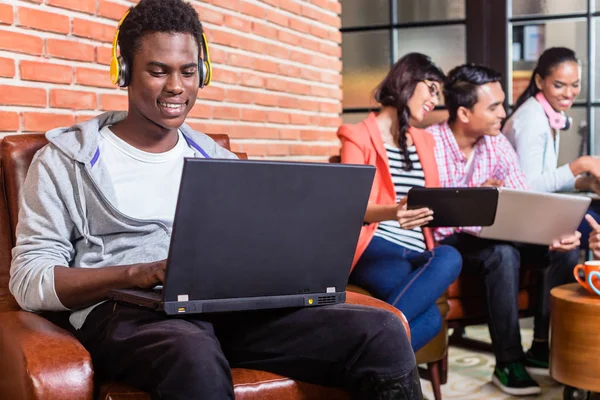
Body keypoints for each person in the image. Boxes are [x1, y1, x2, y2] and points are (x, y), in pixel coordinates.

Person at [8, 1, 424, 399]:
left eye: (188, 72)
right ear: (124, 72)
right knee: (193, 352)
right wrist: (137, 272)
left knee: (380, 332)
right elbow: (30, 280)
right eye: (157, 71)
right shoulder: (64, 160)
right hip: (128, 313)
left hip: (227, 310)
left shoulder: (217, 160)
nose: (176, 87)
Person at [427, 64, 581, 396]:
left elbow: (523, 199)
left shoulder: (496, 144)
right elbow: (430, 214)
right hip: (447, 241)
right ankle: (508, 362)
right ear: (465, 113)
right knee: (502, 253)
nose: (503, 113)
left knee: (562, 250)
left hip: (492, 232)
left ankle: (543, 346)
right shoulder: (429, 144)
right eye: (494, 107)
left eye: (502, 104)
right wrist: (475, 201)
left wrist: (551, 232)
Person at [337, 53, 462, 352]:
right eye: (432, 88)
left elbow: (434, 198)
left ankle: (355, 356)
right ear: (408, 80)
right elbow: (352, 205)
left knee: (450, 257)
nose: (435, 99)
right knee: (431, 319)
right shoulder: (357, 136)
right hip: (376, 246)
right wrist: (394, 212)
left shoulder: (425, 141)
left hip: (419, 247)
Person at [502, 47, 600, 251]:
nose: (568, 93)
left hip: (537, 210)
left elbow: (545, 179)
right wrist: (581, 164)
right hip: (523, 219)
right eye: (559, 85)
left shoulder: (548, 115)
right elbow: (529, 189)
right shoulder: (532, 120)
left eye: (575, 85)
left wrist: (587, 183)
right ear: (539, 82)